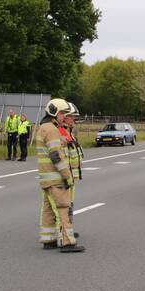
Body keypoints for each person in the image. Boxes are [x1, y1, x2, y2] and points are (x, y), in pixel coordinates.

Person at [36, 98, 84, 253]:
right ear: (54, 113)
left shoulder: (45, 127)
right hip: (56, 178)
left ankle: (48, 239)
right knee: (63, 208)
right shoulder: (51, 129)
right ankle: (67, 242)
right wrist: (67, 176)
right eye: (62, 113)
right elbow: (56, 156)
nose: (64, 116)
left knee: (49, 209)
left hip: (47, 178)